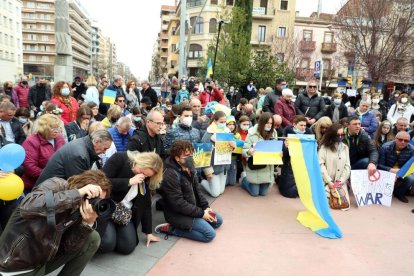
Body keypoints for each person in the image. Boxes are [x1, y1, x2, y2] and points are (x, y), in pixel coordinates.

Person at [0, 170, 112, 275]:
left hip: (41, 261)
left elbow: (67, 248)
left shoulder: (81, 210)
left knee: (93, 237)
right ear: (84, 187)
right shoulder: (56, 185)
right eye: (94, 197)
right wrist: (77, 194)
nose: (94, 204)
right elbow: (27, 206)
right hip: (14, 264)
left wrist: (86, 224)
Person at [155, 140, 223, 242]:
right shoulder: (169, 175)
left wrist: (206, 207)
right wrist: (201, 214)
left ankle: (197, 222)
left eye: (192, 154)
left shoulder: (189, 166)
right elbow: (178, 204)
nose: (190, 157)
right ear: (177, 158)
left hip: (193, 208)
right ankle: (172, 229)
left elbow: (197, 190)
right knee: (209, 235)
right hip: (177, 214)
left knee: (218, 221)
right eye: (187, 156)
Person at [100, 151, 163, 254]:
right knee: (107, 244)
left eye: (147, 176)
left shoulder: (146, 178)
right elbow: (101, 182)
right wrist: (128, 182)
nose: (144, 176)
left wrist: (148, 232)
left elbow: (145, 204)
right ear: (141, 162)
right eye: (142, 172)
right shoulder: (120, 158)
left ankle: (113, 233)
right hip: (107, 207)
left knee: (127, 247)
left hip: (123, 213)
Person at [36, 129, 113, 185]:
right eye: (105, 148)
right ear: (97, 141)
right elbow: (77, 184)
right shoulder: (79, 155)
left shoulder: (83, 145)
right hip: (46, 195)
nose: (104, 152)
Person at [22, 114, 66, 193]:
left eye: (58, 128)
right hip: (36, 186)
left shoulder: (59, 137)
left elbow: (65, 156)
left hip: (57, 183)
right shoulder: (31, 142)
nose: (57, 131)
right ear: (44, 129)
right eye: (53, 128)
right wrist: (51, 176)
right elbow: (30, 167)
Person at [240, 112, 278, 196]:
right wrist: (249, 151)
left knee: (263, 193)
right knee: (255, 193)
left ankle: (256, 183)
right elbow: (244, 149)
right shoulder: (252, 133)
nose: (269, 125)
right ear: (262, 122)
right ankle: (243, 179)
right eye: (267, 123)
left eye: (271, 123)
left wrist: (279, 153)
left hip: (268, 166)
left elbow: (276, 148)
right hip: (256, 166)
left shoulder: (274, 132)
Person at [200, 111, 235, 197]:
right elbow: (203, 154)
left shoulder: (227, 132)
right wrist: (208, 171)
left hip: (223, 166)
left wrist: (233, 146)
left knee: (221, 191)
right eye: (221, 122)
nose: (223, 124)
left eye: (224, 122)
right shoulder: (208, 134)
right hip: (213, 167)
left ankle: (213, 184)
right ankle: (202, 181)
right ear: (215, 121)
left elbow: (231, 149)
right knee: (215, 194)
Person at [279, 115, 313, 198]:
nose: (303, 127)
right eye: (301, 125)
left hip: (303, 161)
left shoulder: (309, 133)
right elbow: (282, 151)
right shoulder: (287, 132)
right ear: (294, 125)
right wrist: (285, 147)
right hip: (289, 162)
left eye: (305, 125)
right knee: (289, 193)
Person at [318, 123, 351, 210]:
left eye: (342, 135)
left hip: (340, 184)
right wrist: (329, 181)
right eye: (338, 135)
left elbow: (347, 166)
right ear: (332, 135)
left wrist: (341, 180)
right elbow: (320, 165)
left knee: (343, 205)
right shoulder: (324, 148)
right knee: (324, 205)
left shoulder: (345, 147)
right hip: (326, 182)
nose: (340, 137)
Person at [378, 131, 414, 203]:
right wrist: (390, 170)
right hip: (387, 169)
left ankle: (399, 193)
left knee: (411, 178)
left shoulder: (412, 149)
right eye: (400, 139)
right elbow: (379, 165)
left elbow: (410, 166)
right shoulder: (385, 147)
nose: (403, 142)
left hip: (402, 170)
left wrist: (400, 173)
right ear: (395, 139)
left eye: (406, 141)